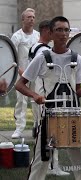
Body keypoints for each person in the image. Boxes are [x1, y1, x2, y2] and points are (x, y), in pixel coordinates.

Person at [15, 16, 81, 180]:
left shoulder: (77, 59)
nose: (63, 34)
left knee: (80, 164)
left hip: (73, 118)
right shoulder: (42, 57)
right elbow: (20, 84)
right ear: (50, 33)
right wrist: (35, 95)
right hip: (50, 117)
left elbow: (76, 93)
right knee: (40, 161)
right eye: (58, 30)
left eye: (66, 30)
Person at [27, 19, 69, 176]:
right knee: (49, 131)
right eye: (57, 30)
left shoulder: (35, 48)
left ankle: (49, 164)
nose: (61, 34)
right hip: (44, 94)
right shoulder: (43, 52)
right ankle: (52, 166)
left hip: (40, 91)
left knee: (44, 130)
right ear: (47, 31)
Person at [11, 8, 40, 139]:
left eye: (33, 17)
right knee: (21, 101)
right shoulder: (17, 36)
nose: (31, 19)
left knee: (36, 99)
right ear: (23, 19)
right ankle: (19, 128)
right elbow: (12, 57)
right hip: (21, 74)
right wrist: (20, 71)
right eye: (28, 17)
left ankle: (37, 126)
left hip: (36, 74)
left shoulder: (38, 36)